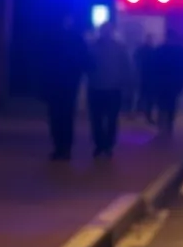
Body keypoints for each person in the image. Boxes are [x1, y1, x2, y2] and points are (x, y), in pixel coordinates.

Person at [45, 14, 90, 161]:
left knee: (57, 116)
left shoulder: (52, 39)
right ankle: (64, 147)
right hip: (68, 83)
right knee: (65, 116)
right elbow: (85, 60)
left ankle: (60, 147)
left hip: (57, 83)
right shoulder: (76, 39)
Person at [87, 21, 133, 158]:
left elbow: (126, 68)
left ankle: (107, 145)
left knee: (110, 119)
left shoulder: (116, 48)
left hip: (111, 88)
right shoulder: (95, 47)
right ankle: (101, 144)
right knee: (98, 119)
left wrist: (126, 85)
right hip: (98, 88)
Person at [151, 29, 183, 133]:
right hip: (172, 81)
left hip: (163, 81)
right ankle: (168, 124)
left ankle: (164, 123)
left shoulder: (160, 50)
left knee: (163, 103)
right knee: (170, 103)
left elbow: (154, 67)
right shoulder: (180, 51)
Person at [133, 35, 156, 122]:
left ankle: (142, 112)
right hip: (146, 75)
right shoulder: (151, 50)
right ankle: (143, 113)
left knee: (143, 95)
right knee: (144, 95)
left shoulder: (144, 50)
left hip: (146, 75)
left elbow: (135, 58)